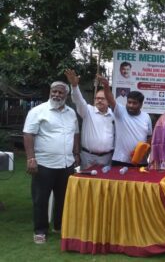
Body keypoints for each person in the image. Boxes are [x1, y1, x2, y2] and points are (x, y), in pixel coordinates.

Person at [23, 81, 80, 244]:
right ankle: (40, 230)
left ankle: (59, 226)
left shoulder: (71, 113)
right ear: (50, 92)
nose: (56, 95)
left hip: (66, 164)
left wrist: (76, 152)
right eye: (54, 91)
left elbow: (75, 133)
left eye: (60, 93)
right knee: (41, 199)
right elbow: (28, 135)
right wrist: (30, 158)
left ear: (66, 95)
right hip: (44, 164)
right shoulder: (38, 111)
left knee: (64, 198)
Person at [97, 74, 152, 167]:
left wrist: (144, 150)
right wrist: (106, 86)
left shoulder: (146, 116)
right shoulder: (120, 111)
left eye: (134, 103)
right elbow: (110, 99)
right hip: (120, 160)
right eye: (129, 102)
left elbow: (149, 137)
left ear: (141, 104)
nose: (131, 105)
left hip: (140, 162)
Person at [65, 69, 115, 168]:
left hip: (107, 158)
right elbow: (78, 100)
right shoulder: (88, 111)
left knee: (105, 183)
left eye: (102, 98)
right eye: (97, 98)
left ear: (109, 101)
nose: (99, 100)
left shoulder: (114, 115)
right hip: (88, 157)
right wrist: (74, 86)